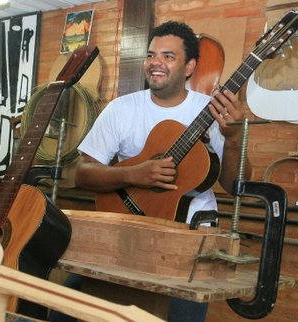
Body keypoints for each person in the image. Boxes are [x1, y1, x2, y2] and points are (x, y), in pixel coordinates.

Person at [72, 21, 252, 321]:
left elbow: (237, 185)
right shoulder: (121, 108)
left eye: (168, 56)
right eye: (151, 54)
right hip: (127, 233)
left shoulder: (213, 110)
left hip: (191, 244)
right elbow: (82, 174)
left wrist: (233, 141)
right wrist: (134, 174)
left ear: (190, 66)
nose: (155, 62)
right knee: (68, 308)